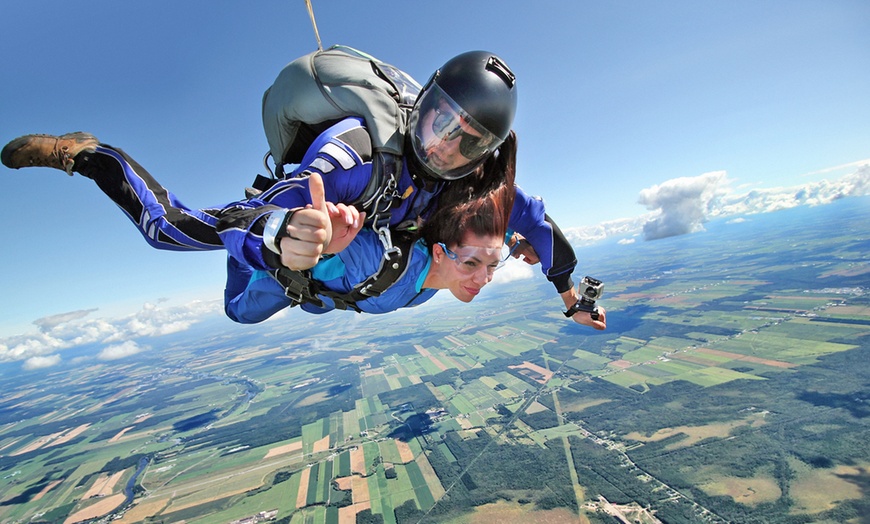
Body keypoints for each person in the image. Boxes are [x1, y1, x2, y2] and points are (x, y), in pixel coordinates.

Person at [1, 50, 606, 330]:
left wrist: (569, 295)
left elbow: (539, 225)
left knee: (250, 310)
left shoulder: (478, 184)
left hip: (361, 264)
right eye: (439, 122)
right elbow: (275, 205)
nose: (443, 147)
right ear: (420, 104)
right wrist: (289, 237)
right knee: (170, 236)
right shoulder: (355, 153)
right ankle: (86, 153)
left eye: (466, 142)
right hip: (296, 238)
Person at [225, 169, 516, 322]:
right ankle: (245, 249)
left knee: (315, 307)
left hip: (329, 297)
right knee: (239, 313)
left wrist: (518, 242)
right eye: (471, 264)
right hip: (285, 278)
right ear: (438, 252)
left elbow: (497, 234)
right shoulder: (378, 258)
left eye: (493, 265)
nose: (484, 279)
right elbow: (328, 235)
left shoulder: (442, 276)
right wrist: (319, 231)